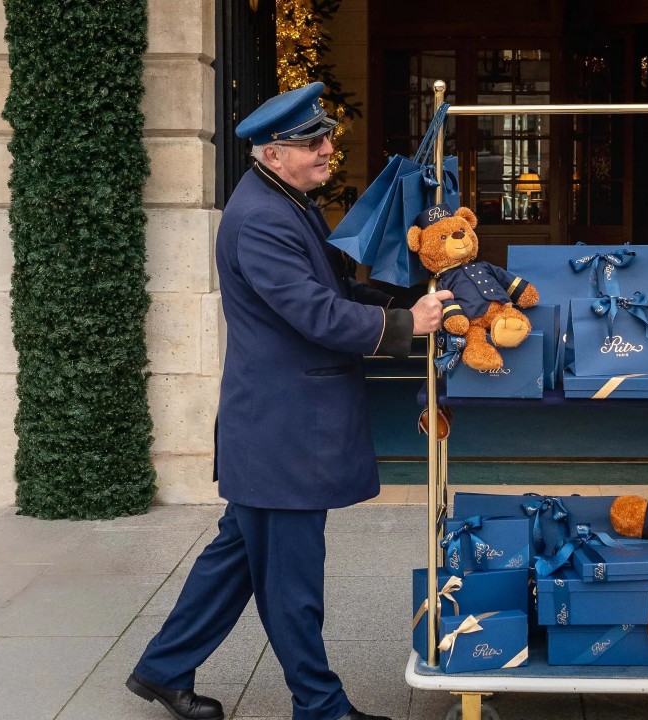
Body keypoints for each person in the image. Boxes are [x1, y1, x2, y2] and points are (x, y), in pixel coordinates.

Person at [126, 82, 452, 720]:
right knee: (291, 584)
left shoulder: (283, 199)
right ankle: (321, 707)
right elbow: (317, 314)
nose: (329, 149)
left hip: (274, 426)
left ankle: (162, 670)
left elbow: (329, 287)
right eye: (313, 143)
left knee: (237, 560)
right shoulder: (264, 219)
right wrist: (407, 326)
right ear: (273, 153)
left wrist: (392, 305)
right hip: (283, 434)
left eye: (326, 136)